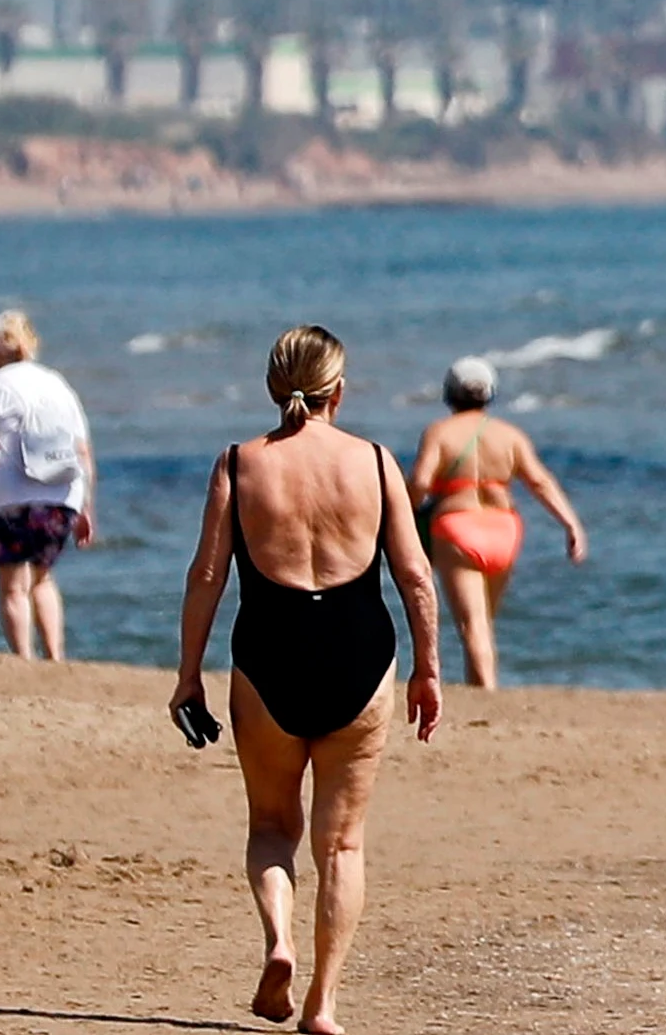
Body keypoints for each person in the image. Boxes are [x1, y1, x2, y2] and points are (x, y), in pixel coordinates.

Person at [170, 326, 444, 1035]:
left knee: (270, 827)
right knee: (341, 844)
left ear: (274, 387)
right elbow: (415, 575)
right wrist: (428, 669)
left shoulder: (239, 462)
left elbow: (206, 575)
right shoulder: (376, 460)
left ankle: (279, 942)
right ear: (339, 390)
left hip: (268, 660)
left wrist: (188, 674)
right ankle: (323, 1004)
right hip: (359, 658)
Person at [406, 356, 590, 689]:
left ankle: (484, 696)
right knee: (484, 622)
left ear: (448, 393)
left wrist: (402, 518)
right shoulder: (510, 436)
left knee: (472, 625)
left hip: (457, 528)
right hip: (504, 530)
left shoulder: (439, 433)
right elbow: (540, 482)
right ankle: (486, 686)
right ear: (490, 393)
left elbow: (419, 482)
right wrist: (571, 525)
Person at [0, 311, 98, 660]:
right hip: (60, 496)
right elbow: (82, 451)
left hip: (7, 498)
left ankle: (24, 661)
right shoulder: (57, 384)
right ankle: (55, 658)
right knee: (42, 578)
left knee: (12, 586)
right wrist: (86, 507)